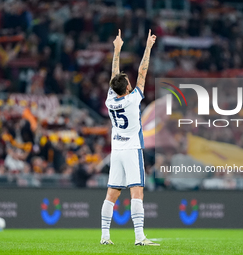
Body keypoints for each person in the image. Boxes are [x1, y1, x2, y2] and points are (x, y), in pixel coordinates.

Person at [100, 29, 159, 246]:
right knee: (137, 192)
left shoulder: (110, 100)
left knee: (111, 194)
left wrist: (116, 49)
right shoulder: (134, 98)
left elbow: (114, 76)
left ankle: (105, 236)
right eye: (128, 81)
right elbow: (143, 71)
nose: (131, 81)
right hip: (133, 149)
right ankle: (139, 237)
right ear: (127, 87)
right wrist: (148, 47)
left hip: (116, 150)